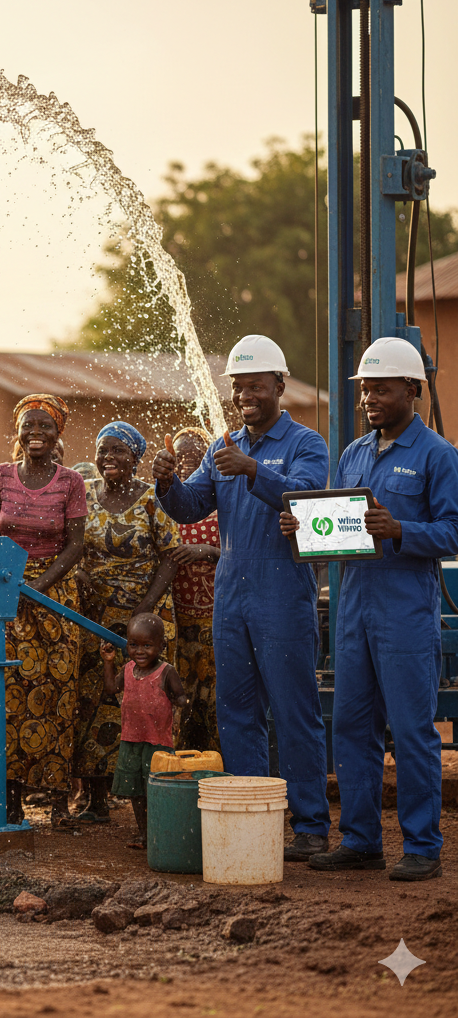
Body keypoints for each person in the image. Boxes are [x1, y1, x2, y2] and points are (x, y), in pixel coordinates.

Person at [283, 338, 458, 881]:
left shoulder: (437, 455)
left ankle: (423, 847)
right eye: (364, 390)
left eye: (381, 389)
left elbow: (453, 531)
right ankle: (361, 840)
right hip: (356, 609)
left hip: (406, 613)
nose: (369, 399)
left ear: (412, 389)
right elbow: (340, 529)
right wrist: (304, 528)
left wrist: (401, 529)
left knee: (411, 732)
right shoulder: (355, 453)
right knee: (352, 728)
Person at [152, 334, 331, 862]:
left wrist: (253, 469)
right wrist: (166, 484)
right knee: (236, 712)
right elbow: (190, 509)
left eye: (256, 386)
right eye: (238, 387)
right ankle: (255, 816)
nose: (245, 395)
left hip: (282, 594)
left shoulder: (306, 444)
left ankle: (312, 826)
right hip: (231, 596)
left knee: (294, 712)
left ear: (280, 385)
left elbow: (305, 500)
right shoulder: (220, 446)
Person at [0, 394, 87, 830]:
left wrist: (39, 588)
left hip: (55, 598)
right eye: (29, 425)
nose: (36, 433)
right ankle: (10, 802)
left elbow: (77, 545)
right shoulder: (0, 476)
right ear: (18, 431)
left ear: (58, 433)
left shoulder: (70, 482)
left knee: (59, 697)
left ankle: (59, 802)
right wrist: (9, 589)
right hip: (8, 592)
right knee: (9, 697)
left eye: (46, 426)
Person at [73, 422, 180, 822]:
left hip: (145, 620)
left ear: (136, 457)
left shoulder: (153, 499)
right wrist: (81, 573)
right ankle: (96, 799)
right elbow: (75, 544)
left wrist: (145, 608)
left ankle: (157, 799)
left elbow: (171, 554)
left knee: (147, 702)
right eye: (103, 451)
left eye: (119, 451)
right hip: (97, 615)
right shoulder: (84, 495)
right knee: (97, 697)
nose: (109, 458)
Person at [105, 614, 188, 849]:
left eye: (147, 646)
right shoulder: (128, 669)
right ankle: (145, 834)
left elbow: (181, 697)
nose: (139, 651)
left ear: (161, 646)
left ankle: (161, 833)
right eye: (133, 645)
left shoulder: (166, 671)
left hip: (157, 743)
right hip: (131, 739)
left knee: (157, 790)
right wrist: (109, 661)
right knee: (136, 791)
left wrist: (180, 701)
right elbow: (111, 688)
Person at [166, 427, 221, 752]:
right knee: (178, 698)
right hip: (176, 622)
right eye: (181, 454)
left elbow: (241, 554)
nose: (187, 460)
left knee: (214, 701)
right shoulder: (165, 503)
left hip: (215, 622)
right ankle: (176, 770)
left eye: (195, 454)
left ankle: (215, 769)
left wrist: (207, 551)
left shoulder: (220, 504)